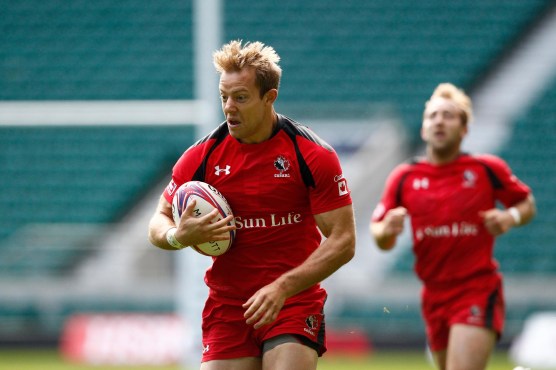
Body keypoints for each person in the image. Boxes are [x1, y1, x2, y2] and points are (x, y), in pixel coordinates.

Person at [148, 40, 356, 370]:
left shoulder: (311, 154)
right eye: (224, 97)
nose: (229, 107)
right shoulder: (202, 156)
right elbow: (158, 219)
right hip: (229, 306)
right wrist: (177, 236)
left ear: (269, 97)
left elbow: (343, 241)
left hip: (292, 300)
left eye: (241, 97)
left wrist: (282, 287)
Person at [370, 83, 536, 370]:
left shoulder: (486, 169)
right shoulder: (404, 176)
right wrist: (387, 230)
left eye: (448, 115)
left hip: (476, 288)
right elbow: (379, 235)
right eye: (432, 116)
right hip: (433, 295)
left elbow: (527, 203)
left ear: (464, 129)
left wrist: (510, 217)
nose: (439, 121)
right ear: (423, 128)